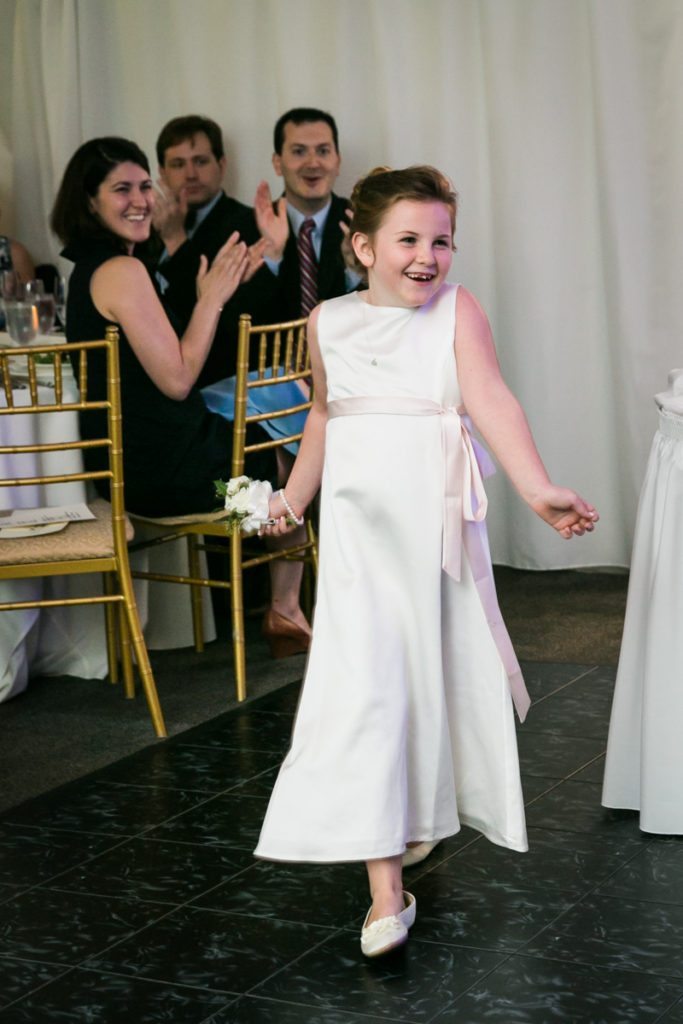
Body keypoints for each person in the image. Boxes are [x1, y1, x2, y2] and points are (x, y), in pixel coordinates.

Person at [254, 166, 599, 956]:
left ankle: (411, 816)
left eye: (440, 241)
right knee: (369, 689)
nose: (426, 257)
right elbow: (322, 413)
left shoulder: (456, 310)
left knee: (428, 676)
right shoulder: (328, 322)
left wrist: (537, 486)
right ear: (362, 245)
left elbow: (491, 398)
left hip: (432, 532)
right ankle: (384, 892)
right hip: (357, 541)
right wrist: (293, 500)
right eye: (407, 240)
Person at [50, 136, 311, 651]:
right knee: (297, 460)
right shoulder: (122, 272)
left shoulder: (96, 269)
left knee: (287, 450)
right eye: (121, 189)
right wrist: (212, 299)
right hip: (170, 477)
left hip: (138, 467)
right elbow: (177, 379)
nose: (141, 199)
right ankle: (284, 602)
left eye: (145, 186)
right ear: (89, 201)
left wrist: (207, 295)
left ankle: (282, 597)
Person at [153, 115, 276, 387]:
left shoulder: (249, 226)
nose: (191, 174)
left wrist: (176, 241)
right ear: (161, 173)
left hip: (218, 382)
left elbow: (221, 324)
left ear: (221, 165)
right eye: (177, 164)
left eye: (201, 161)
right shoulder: (145, 227)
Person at [254, 107, 362, 320]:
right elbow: (237, 324)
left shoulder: (361, 223)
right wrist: (271, 258)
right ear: (277, 163)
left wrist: (355, 270)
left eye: (323, 151)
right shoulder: (248, 225)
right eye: (299, 151)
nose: (313, 163)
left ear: (337, 161)